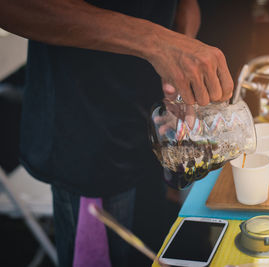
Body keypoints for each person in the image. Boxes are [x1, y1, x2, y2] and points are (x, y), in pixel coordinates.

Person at [0, 0, 233, 266]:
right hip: (89, 139)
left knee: (150, 252)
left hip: (153, 129)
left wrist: (180, 49)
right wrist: (159, 43)